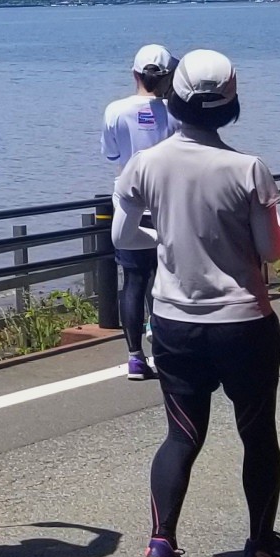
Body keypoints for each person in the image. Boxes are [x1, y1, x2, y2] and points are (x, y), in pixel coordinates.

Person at [108, 49, 280, 557]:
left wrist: (165, 240)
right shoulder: (248, 168)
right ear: (232, 105)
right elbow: (271, 249)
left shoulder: (144, 165)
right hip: (243, 320)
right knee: (256, 433)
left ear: (175, 99)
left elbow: (123, 238)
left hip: (173, 321)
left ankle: (162, 543)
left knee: (182, 435)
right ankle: (261, 544)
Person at [97, 44, 176, 382]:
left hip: (129, 202)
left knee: (133, 279)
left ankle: (134, 359)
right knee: (163, 279)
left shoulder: (115, 110)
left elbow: (112, 155)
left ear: (135, 74)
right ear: (168, 76)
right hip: (165, 203)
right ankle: (161, 345)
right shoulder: (176, 111)